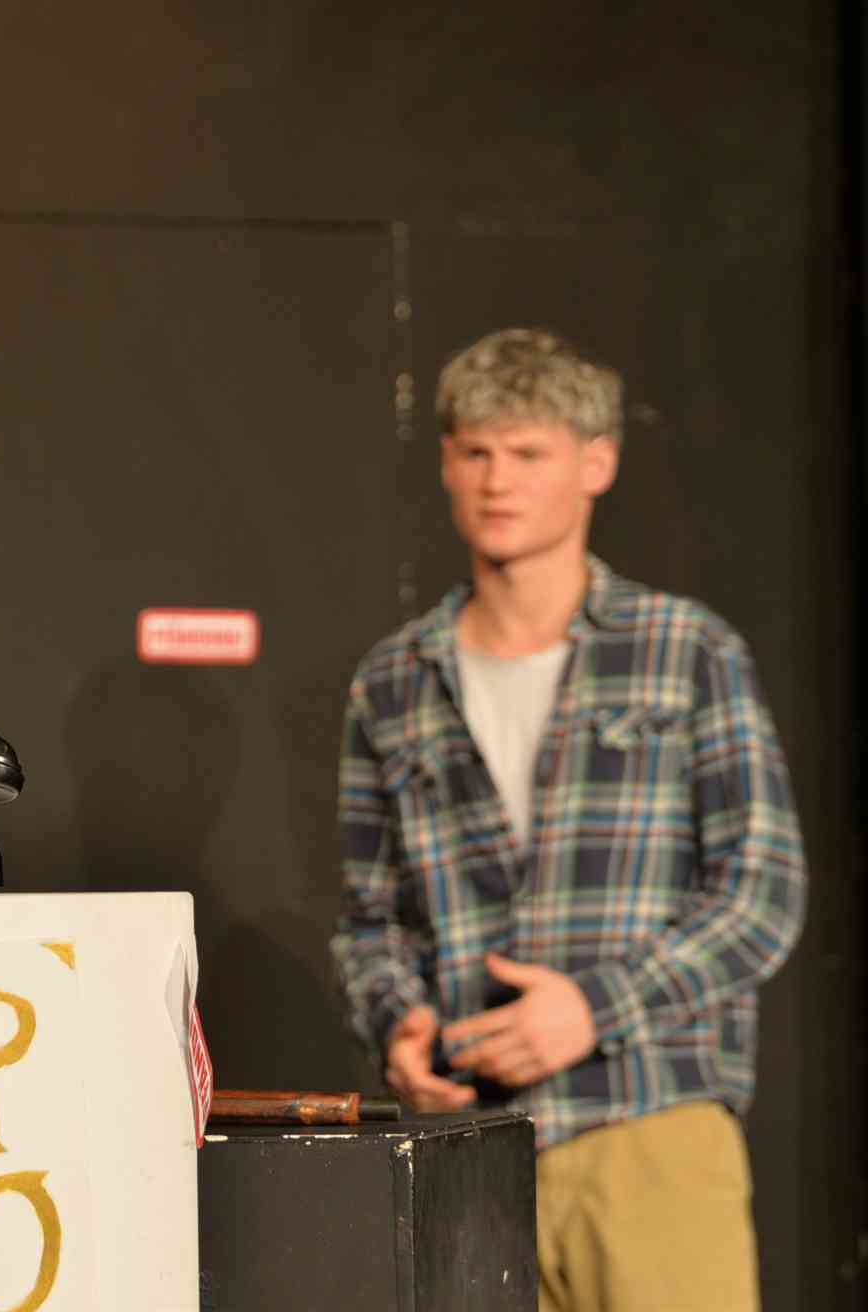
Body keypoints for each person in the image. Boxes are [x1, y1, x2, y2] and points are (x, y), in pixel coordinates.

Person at [329, 328, 806, 1311]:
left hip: (648, 1122)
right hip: (468, 1146)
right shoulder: (394, 680)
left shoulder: (684, 650)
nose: (497, 479)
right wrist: (398, 1027)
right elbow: (370, 919)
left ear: (596, 463)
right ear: (446, 464)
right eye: (475, 451)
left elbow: (762, 892)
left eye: (527, 452)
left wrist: (594, 1007)